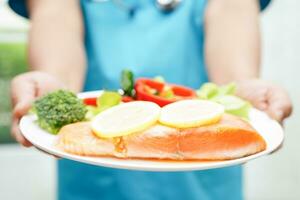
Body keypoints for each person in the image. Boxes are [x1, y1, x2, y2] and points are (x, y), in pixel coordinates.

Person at [9, 0, 292, 199]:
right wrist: (56, 89)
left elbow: (232, 11)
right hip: (92, 172)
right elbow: (53, 13)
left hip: (204, 173)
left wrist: (239, 87)